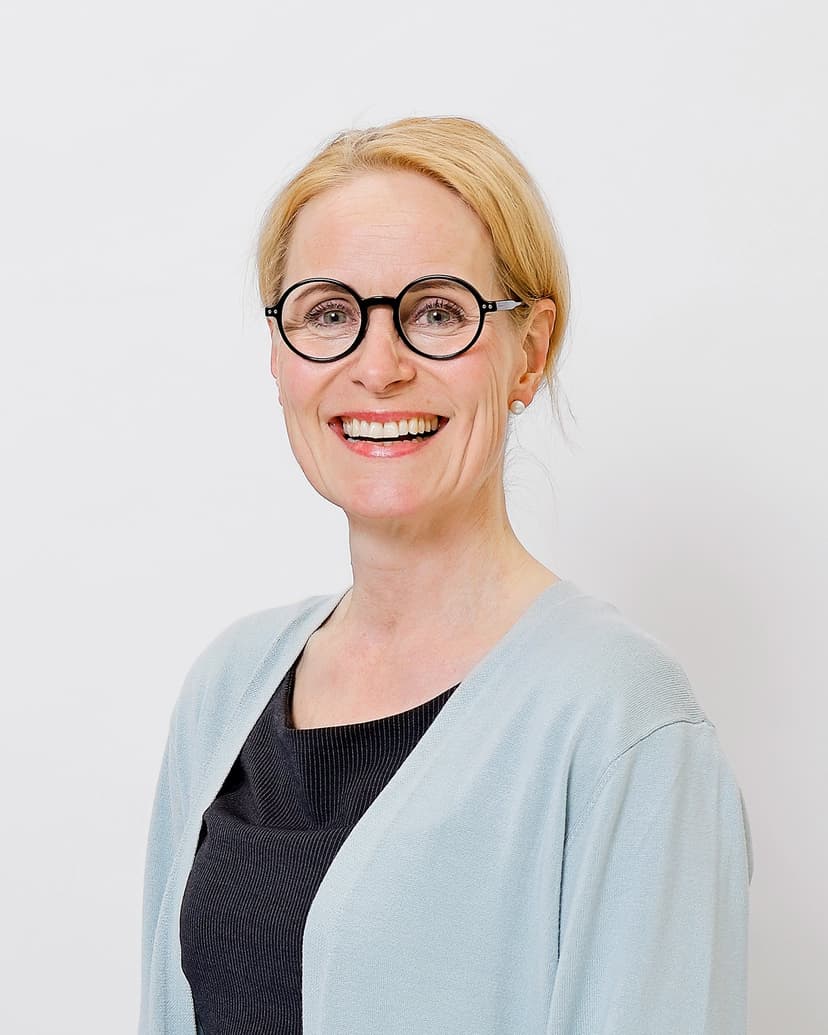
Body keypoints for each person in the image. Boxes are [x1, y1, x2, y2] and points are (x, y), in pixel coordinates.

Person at [139, 116, 754, 1035]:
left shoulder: (624, 721)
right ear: (280, 355)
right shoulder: (227, 690)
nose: (377, 367)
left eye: (436, 312)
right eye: (329, 313)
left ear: (529, 351)